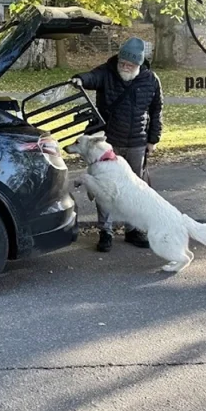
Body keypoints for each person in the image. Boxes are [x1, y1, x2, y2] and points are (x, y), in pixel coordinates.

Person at [69, 37, 163, 252]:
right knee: (104, 188)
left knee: (134, 189)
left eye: (129, 65)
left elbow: (156, 111)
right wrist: (79, 79)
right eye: (122, 63)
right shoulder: (107, 71)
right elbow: (92, 77)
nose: (124, 67)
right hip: (108, 143)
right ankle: (106, 231)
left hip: (137, 142)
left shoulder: (151, 80)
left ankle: (133, 230)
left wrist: (153, 139)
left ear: (139, 64)